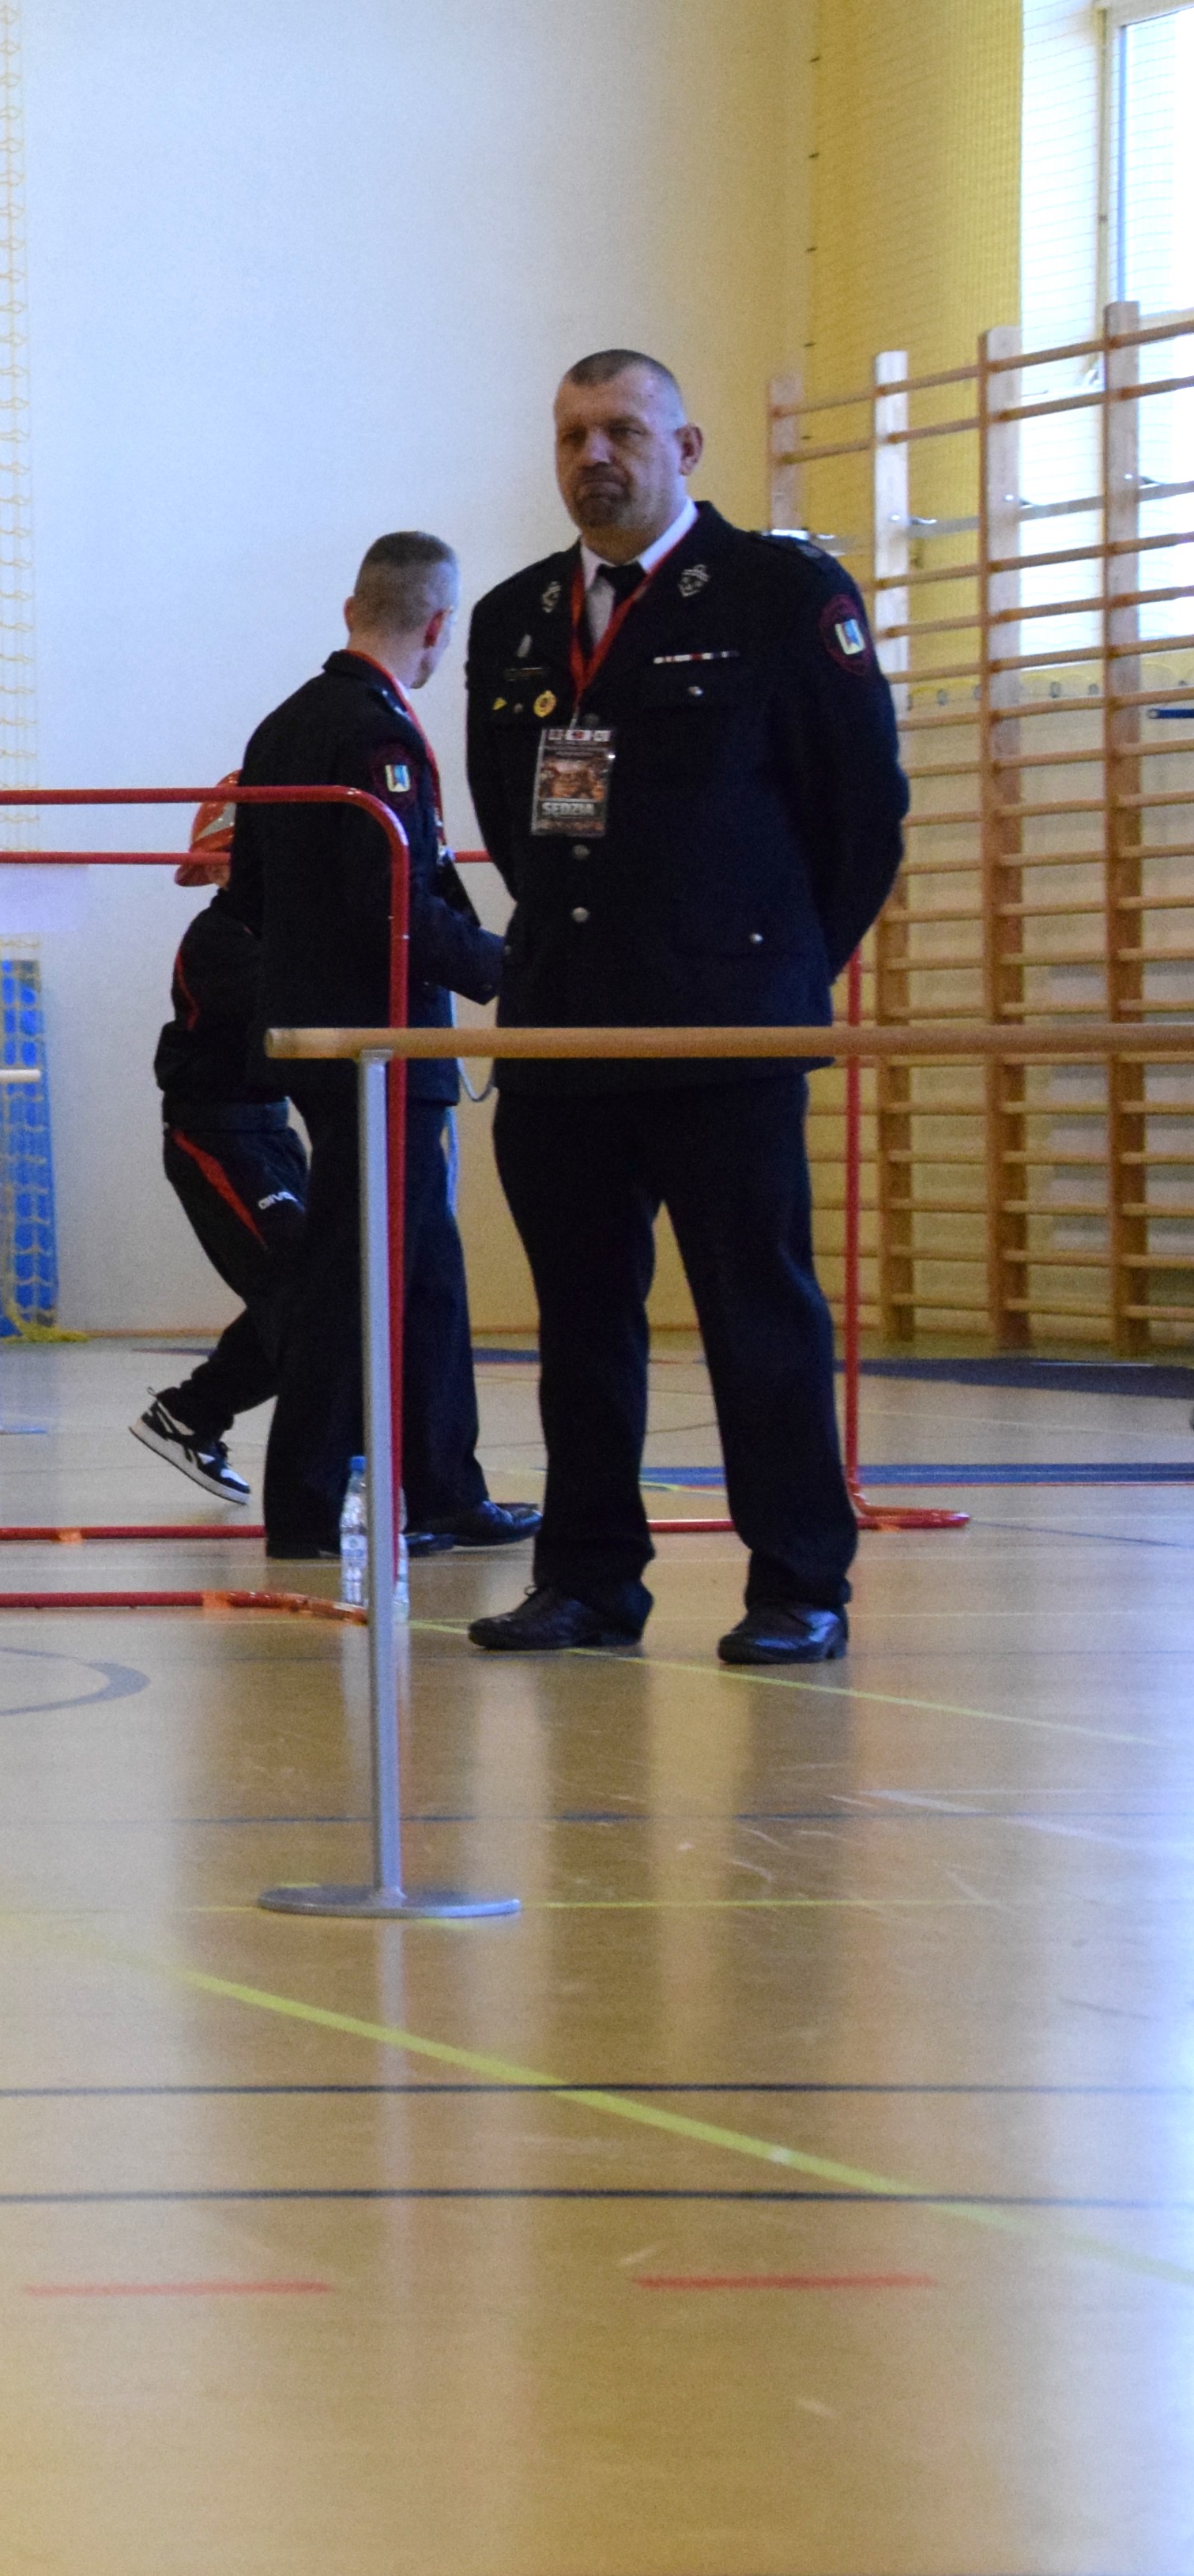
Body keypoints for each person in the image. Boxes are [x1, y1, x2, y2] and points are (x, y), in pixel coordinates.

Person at [463, 350, 906, 1664]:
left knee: (757, 1313)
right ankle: (590, 1578)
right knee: (580, 1325)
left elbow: (860, 813)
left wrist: (773, 977)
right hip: (564, 1026)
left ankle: (798, 1581)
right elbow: (515, 818)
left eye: (620, 430)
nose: (593, 456)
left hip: (724, 1033)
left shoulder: (782, 593)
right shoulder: (517, 615)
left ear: (686, 445)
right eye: (571, 435)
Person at [227, 535, 533, 1565]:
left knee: (420, 1266)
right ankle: (309, 1504)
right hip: (379, 1041)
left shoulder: (279, 726)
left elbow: (247, 895)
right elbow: (392, 902)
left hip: (326, 1033)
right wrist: (505, 970)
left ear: (351, 605)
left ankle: (441, 1485)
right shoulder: (374, 735)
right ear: (438, 625)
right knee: (356, 1273)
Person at [127, 785, 303, 1505]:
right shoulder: (219, 940)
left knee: (317, 1287)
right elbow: (285, 1019)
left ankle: (190, 1411)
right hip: (215, 1135)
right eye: (229, 859)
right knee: (299, 1292)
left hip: (269, 1129)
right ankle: (328, 1471)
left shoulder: (283, 928)